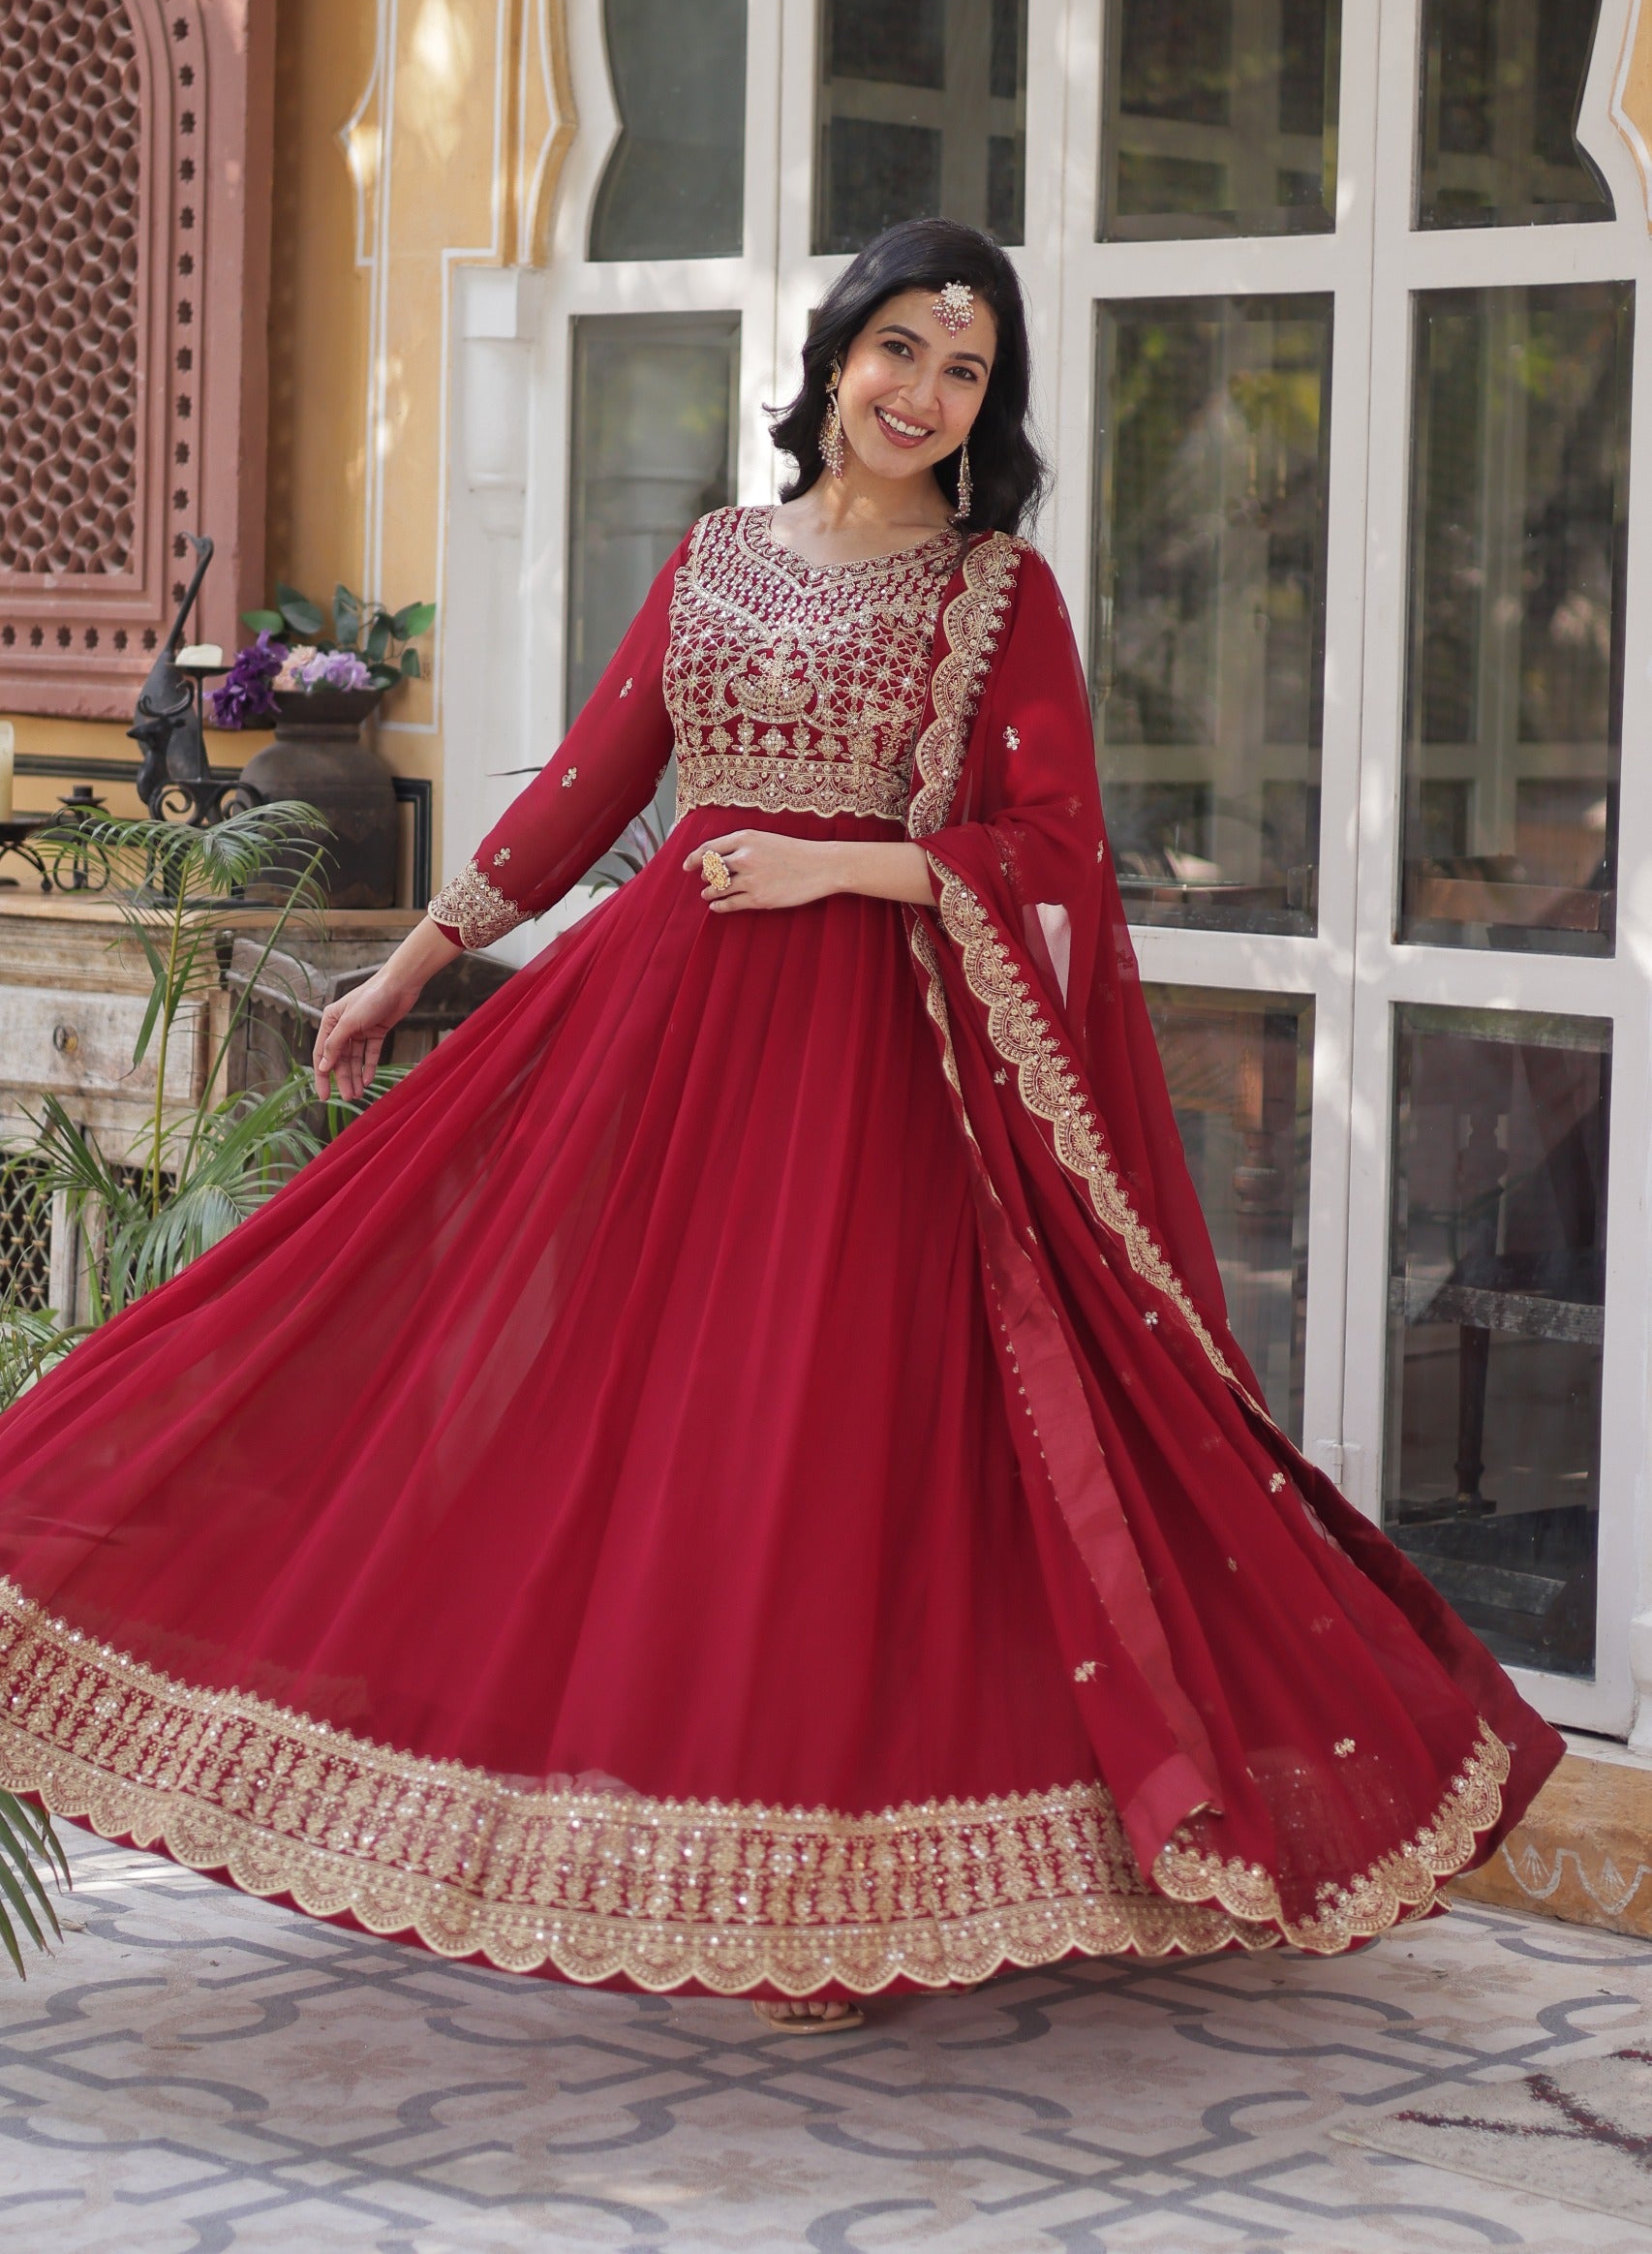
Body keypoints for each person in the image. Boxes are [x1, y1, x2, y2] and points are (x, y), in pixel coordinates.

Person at [0, 220, 1559, 2031]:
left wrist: (837, 860)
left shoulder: (993, 595)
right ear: (831, 360)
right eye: (898, 347)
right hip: (664, 1031)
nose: (921, 391)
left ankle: (834, 1886)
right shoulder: (712, 558)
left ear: (989, 406)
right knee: (591, 1390)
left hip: (879, 1062)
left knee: (823, 1427)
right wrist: (411, 963)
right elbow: (592, 785)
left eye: (963, 370)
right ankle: (647, 1830)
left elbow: (1055, 858)